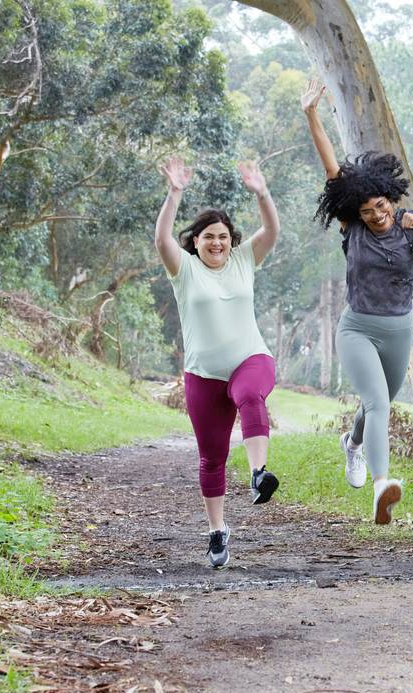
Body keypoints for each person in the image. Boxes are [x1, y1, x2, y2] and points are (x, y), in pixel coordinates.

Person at [301, 78, 413, 524]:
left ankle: (352, 444)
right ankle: (382, 485)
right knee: (378, 403)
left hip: (398, 330)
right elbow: (332, 172)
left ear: (389, 200)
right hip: (358, 327)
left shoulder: (412, 225)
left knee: (376, 405)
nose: (375, 216)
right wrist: (311, 115)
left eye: (380, 207)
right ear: (355, 214)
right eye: (366, 211)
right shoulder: (352, 228)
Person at [154, 156, 280, 568]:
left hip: (250, 359)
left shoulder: (244, 260)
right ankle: (217, 531)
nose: (217, 243)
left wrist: (262, 193)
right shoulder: (185, 269)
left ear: (231, 240)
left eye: (223, 237)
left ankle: (259, 473)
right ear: (197, 241)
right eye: (209, 236)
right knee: (212, 457)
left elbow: (272, 231)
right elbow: (162, 241)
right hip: (202, 375)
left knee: (250, 395)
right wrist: (174, 194)